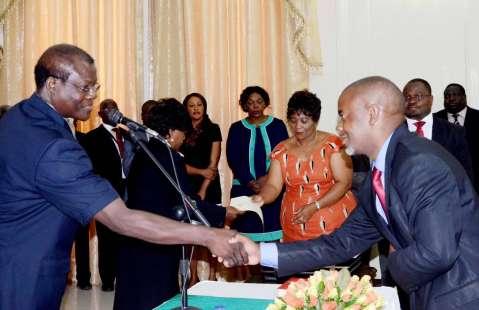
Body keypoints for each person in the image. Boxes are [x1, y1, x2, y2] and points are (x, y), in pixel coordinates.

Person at [0, 44, 246, 310]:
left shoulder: (18, 116)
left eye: (96, 87)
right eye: (84, 88)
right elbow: (121, 218)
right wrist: (209, 236)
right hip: (24, 277)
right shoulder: (52, 146)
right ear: (52, 85)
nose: (93, 96)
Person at [235, 76, 479, 310]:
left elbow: (437, 254)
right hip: (433, 293)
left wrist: (393, 264)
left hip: (462, 297)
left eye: (343, 116)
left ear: (372, 114)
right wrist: (260, 252)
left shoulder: (418, 163)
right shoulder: (382, 172)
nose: (339, 127)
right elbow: (340, 243)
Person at [113, 99, 244, 309]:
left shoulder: (146, 153)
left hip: (136, 242)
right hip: (156, 244)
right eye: (183, 134)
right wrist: (223, 213)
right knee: (157, 301)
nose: (183, 140)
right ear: (173, 132)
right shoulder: (169, 157)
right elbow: (186, 205)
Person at [253, 90, 356, 242]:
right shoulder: (281, 150)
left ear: (315, 120)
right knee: (298, 263)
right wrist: (260, 198)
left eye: (304, 121)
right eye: (293, 121)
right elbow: (273, 186)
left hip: (334, 224)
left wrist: (315, 206)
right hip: (294, 226)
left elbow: (344, 182)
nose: (298, 127)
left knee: (334, 265)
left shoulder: (334, 145)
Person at [82, 98, 133, 291]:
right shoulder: (92, 137)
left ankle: (125, 277)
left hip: (128, 191)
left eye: (115, 108)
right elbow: (91, 168)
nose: (111, 111)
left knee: (127, 236)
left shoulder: (127, 134)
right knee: (107, 237)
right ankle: (107, 281)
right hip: (105, 192)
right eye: (107, 109)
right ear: (99, 114)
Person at [226, 86, 289, 232]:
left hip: (273, 187)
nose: (255, 106)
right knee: (246, 232)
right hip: (243, 187)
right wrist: (249, 181)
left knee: (271, 231)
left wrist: (268, 178)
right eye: (250, 102)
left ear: (265, 103)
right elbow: (233, 157)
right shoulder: (236, 128)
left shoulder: (277, 125)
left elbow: (284, 153)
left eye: (259, 101)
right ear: (245, 105)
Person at [403, 78, 473, 180]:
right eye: (407, 97)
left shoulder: (454, 132)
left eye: (418, 96)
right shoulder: (392, 132)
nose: (412, 101)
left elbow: (465, 174)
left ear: (430, 100)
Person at [434, 83, 479, 191]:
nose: (451, 99)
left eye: (455, 95)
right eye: (447, 96)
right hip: (443, 182)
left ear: (464, 97)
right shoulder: (434, 119)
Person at [181, 93, 222, 204]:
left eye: (199, 105)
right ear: (186, 109)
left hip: (209, 184)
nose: (196, 108)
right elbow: (178, 162)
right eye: (191, 106)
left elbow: (213, 165)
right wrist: (201, 172)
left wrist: (203, 190)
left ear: (204, 107)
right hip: (186, 183)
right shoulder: (180, 131)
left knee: (211, 220)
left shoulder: (213, 129)